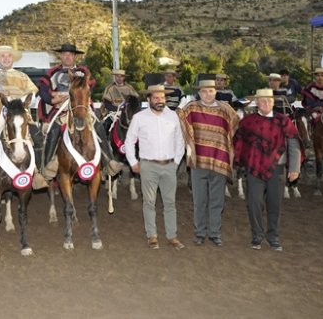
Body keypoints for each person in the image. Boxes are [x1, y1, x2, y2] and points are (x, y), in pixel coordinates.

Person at [37, 43, 124, 180]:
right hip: (60, 109)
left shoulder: (83, 71)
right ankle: (47, 167)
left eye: (70, 54)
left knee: (98, 126)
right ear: (60, 56)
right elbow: (43, 91)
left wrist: (64, 95)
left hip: (81, 107)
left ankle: (109, 162)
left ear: (75, 56)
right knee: (54, 129)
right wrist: (53, 99)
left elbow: (89, 87)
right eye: (64, 54)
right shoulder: (52, 73)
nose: (67, 57)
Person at [234, 88, 301, 252]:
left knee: (274, 203)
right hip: (254, 168)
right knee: (254, 203)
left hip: (277, 168)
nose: (266, 103)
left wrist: (295, 168)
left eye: (269, 100)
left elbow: (293, 143)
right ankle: (257, 235)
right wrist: (237, 161)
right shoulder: (248, 122)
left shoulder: (284, 121)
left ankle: (273, 236)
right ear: (256, 102)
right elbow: (238, 143)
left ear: (273, 101)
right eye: (262, 100)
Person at [0, 45, 47, 190]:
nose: (6, 59)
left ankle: (37, 173)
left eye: (9, 56)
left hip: (18, 117)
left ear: (13, 59)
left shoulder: (23, 77)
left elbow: (31, 96)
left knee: (37, 137)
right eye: (2, 56)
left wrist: (17, 102)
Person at [177, 79, 239, 247]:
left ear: (216, 92)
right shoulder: (191, 108)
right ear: (199, 92)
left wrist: (227, 145)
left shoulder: (225, 109)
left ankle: (215, 234)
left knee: (217, 201)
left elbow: (235, 124)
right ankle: (199, 233)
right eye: (204, 91)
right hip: (198, 162)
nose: (207, 94)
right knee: (199, 200)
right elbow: (179, 120)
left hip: (219, 160)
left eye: (211, 91)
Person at [124, 85, 186, 250]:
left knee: (170, 203)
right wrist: (133, 162)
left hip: (169, 165)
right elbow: (129, 140)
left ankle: (172, 236)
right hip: (148, 165)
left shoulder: (172, 116)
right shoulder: (139, 118)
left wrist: (176, 162)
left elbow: (180, 140)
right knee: (149, 202)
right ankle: (152, 235)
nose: (160, 100)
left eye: (162, 97)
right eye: (156, 98)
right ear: (149, 99)